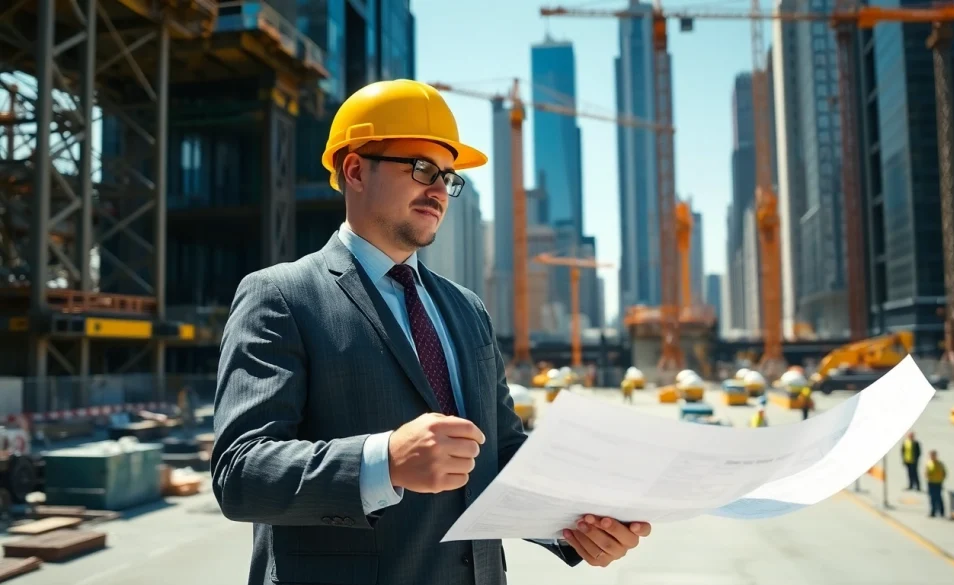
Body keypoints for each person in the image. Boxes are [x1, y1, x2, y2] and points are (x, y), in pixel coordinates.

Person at [211, 79, 651, 585]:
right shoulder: (281, 296)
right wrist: (384, 460)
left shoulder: (467, 310)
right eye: (422, 169)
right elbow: (240, 474)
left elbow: (499, 453)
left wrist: (576, 525)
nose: (440, 189)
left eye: (448, 176)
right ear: (355, 169)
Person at [925, 450, 947, 517]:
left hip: (938, 483)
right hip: (931, 483)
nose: (932, 457)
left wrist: (941, 479)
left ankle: (941, 511)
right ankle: (933, 512)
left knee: (939, 497)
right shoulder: (929, 464)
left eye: (934, 455)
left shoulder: (940, 464)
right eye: (931, 455)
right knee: (932, 498)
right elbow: (926, 473)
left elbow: (944, 473)